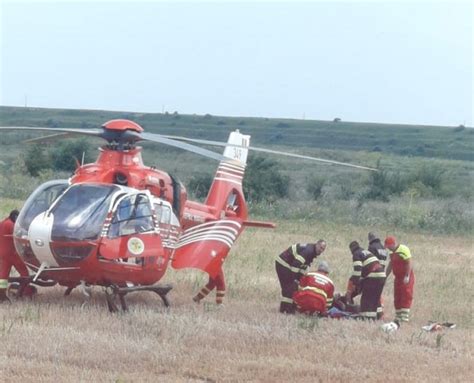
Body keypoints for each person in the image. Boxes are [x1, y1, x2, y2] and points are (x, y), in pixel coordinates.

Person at [275, 240, 327, 314]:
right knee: (290, 286)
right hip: (283, 263)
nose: (321, 250)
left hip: (289, 265)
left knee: (293, 286)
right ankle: (285, 309)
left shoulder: (312, 252)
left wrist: (301, 279)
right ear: (317, 244)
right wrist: (295, 279)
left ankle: (289, 307)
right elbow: (296, 264)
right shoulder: (308, 251)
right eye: (320, 247)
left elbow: (303, 266)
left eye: (323, 249)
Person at [345, 241, 385, 320]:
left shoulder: (356, 254)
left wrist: (355, 283)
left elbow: (357, 270)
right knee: (375, 297)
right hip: (381, 274)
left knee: (366, 298)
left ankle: (367, 318)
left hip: (373, 275)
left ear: (351, 250)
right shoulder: (366, 252)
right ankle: (378, 315)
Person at [0, 210, 30, 303]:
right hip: (12, 253)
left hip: (3, 253)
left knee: (3, 275)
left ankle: (2, 293)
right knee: (25, 272)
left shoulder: (3, 223)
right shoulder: (10, 225)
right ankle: (26, 292)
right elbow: (20, 235)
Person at [384, 236, 415, 323]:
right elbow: (391, 264)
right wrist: (385, 276)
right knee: (397, 295)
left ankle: (404, 318)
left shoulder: (403, 249)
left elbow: (409, 262)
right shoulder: (392, 253)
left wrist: (407, 275)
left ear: (393, 244)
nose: (388, 248)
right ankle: (398, 316)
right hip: (397, 277)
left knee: (406, 294)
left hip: (405, 277)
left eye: (389, 246)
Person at [367, 232, 389, 319]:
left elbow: (369, 261)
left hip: (374, 273)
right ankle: (380, 312)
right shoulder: (383, 248)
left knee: (372, 294)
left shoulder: (372, 247)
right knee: (378, 293)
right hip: (382, 273)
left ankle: (376, 313)